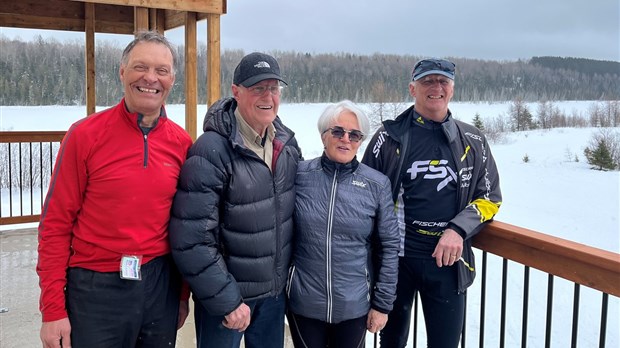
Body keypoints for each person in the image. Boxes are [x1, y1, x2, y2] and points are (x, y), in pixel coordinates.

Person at [36, 30, 193, 348]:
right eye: (140, 67)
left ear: (172, 78)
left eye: (161, 70)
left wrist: (181, 295)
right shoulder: (85, 136)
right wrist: (52, 309)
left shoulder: (182, 143)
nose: (150, 78)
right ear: (122, 72)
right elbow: (55, 225)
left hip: (159, 283)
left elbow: (186, 226)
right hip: (96, 286)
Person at [362, 58, 502, 348]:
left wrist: (458, 230)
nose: (436, 87)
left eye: (443, 82)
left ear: (452, 89)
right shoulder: (388, 137)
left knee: (445, 343)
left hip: (448, 262)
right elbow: (363, 193)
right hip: (396, 262)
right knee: (392, 341)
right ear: (413, 88)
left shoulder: (473, 140)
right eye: (427, 81)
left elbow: (490, 198)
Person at [169, 52, 302, 348]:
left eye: (274, 88)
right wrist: (227, 300)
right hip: (227, 302)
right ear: (236, 92)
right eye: (258, 88)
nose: (268, 96)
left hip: (273, 297)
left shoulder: (287, 145)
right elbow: (191, 239)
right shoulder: (211, 151)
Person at [286, 100, 400, 348]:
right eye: (338, 131)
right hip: (304, 302)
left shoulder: (376, 185)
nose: (346, 139)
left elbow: (390, 247)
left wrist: (382, 304)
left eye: (355, 135)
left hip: (354, 306)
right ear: (323, 135)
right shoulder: (299, 175)